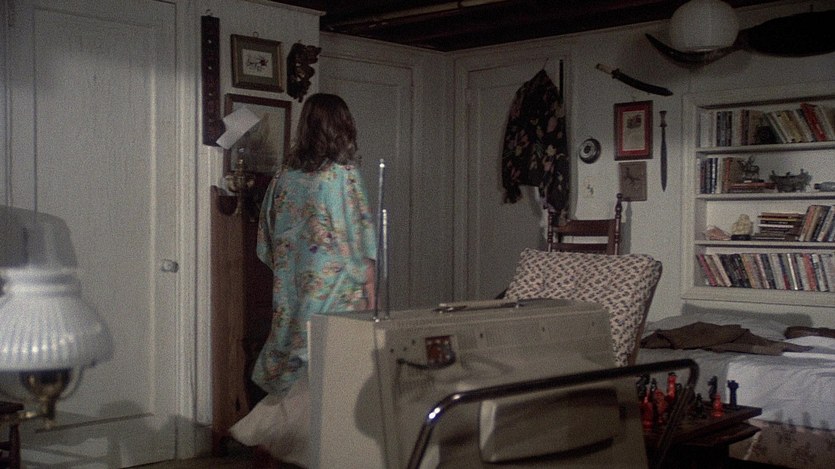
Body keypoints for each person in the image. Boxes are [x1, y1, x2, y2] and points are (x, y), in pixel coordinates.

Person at [230, 93, 377, 466]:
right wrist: (370, 291)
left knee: (297, 366)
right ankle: (294, 443)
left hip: (292, 292)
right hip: (338, 293)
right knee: (333, 375)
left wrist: (293, 271)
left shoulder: (284, 177)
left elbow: (266, 241)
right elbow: (359, 240)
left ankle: (275, 439)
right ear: (342, 126)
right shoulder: (342, 175)